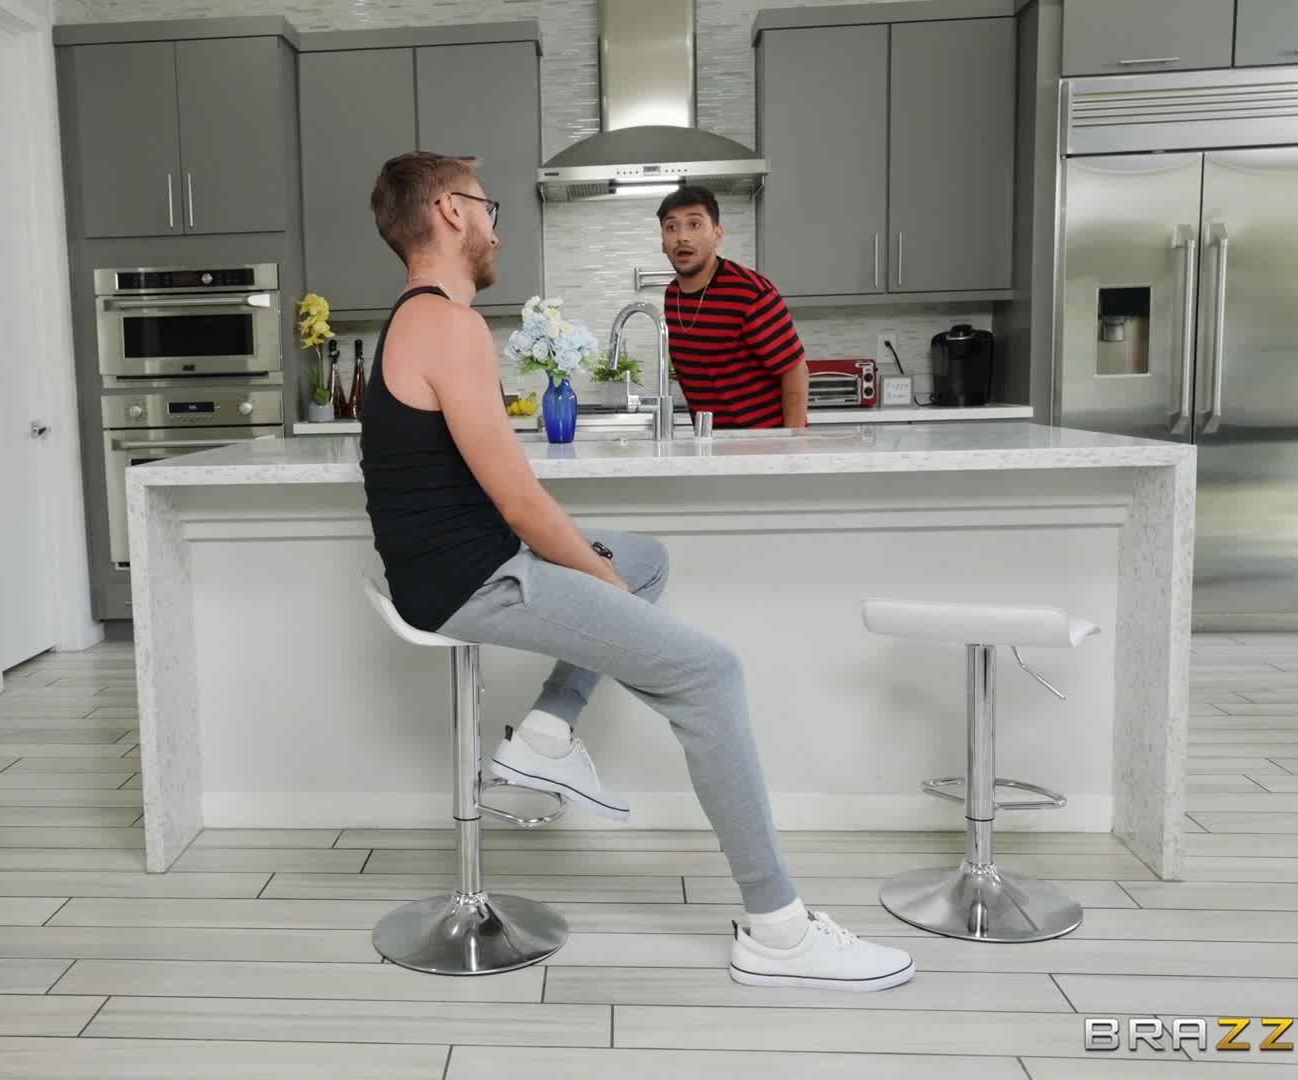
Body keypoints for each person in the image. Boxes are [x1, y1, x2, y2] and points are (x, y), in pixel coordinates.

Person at [356, 151, 914, 991]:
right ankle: (780, 932)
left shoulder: (418, 318)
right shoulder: (448, 324)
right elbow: (521, 504)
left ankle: (546, 733)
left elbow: (500, 499)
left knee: (645, 556)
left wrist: (603, 568)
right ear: (449, 212)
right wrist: (597, 580)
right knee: (709, 672)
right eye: (487, 206)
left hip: (460, 564)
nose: (496, 226)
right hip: (471, 580)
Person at [658, 185, 809, 429]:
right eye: (671, 227)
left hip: (765, 444)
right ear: (663, 243)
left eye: (694, 224)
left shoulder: (751, 292)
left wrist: (792, 444)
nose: (682, 237)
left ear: (717, 235)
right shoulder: (673, 296)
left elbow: (794, 371)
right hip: (711, 443)